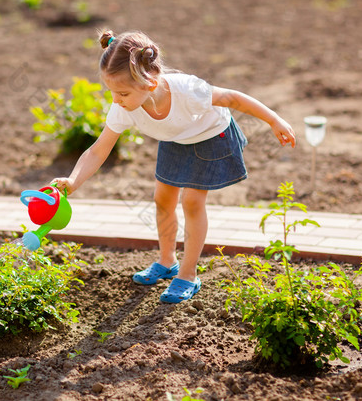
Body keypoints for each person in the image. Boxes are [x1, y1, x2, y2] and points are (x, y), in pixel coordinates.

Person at [51, 30, 295, 303]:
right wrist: (73, 180)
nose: (115, 100)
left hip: (211, 135)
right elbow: (98, 149)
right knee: (162, 199)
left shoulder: (187, 90)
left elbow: (234, 98)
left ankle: (188, 275)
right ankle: (167, 261)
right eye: (112, 92)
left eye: (122, 93)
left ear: (150, 83)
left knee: (192, 202)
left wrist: (274, 121)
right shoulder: (123, 107)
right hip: (175, 138)